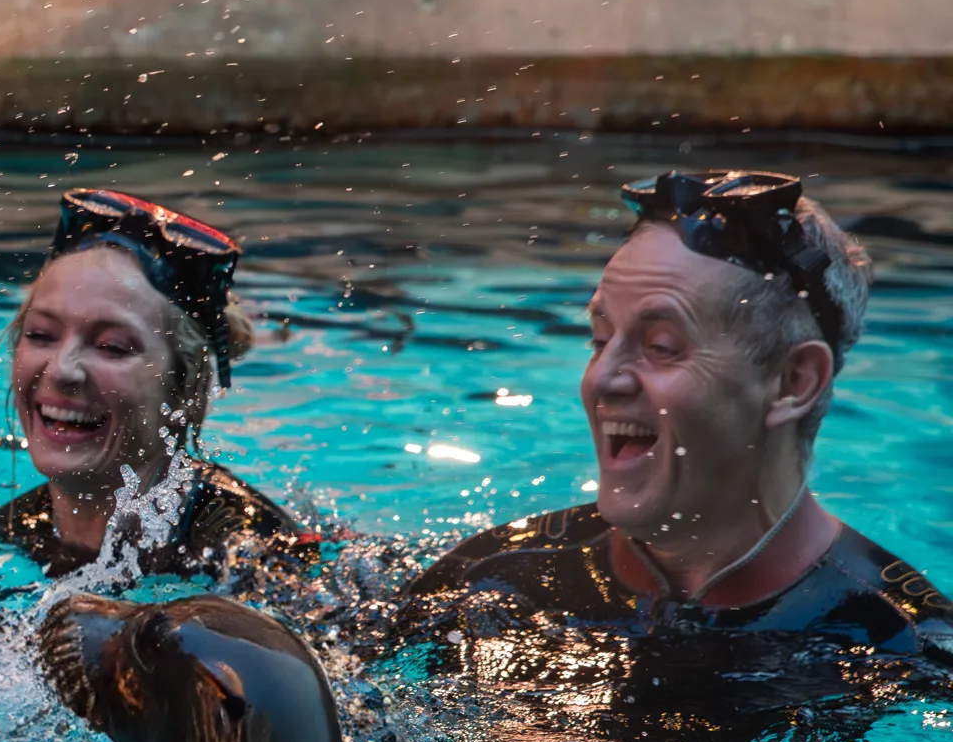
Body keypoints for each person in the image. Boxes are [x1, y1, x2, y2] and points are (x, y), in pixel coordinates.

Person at [405, 171, 952, 665]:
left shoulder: (903, 642)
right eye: (600, 340)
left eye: (662, 346)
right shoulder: (492, 578)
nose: (604, 379)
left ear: (793, 382)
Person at [0, 189, 316, 587]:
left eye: (111, 347)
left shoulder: (247, 550)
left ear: (182, 387)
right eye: (41, 335)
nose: (61, 370)